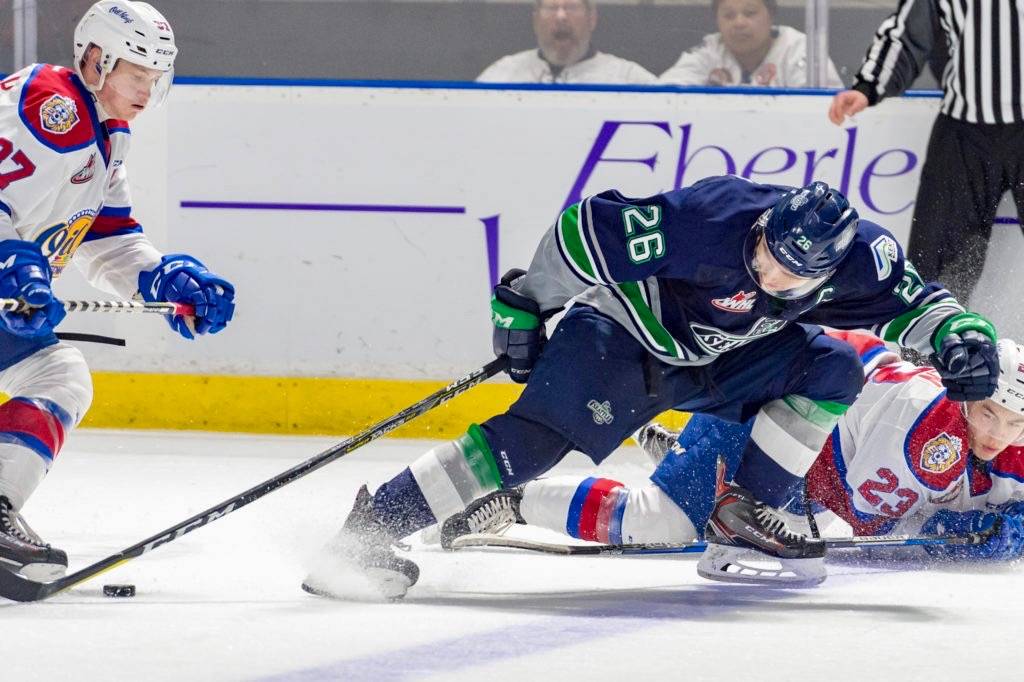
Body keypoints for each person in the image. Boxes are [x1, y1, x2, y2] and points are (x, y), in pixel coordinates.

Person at [303, 174, 998, 600]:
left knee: (833, 368)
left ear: (828, 271)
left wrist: (958, 336)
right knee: (527, 447)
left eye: (791, 277)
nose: (768, 275)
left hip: (722, 364)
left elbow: (920, 303)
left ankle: (743, 519)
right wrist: (526, 302)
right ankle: (370, 532)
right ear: (763, 226)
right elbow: (583, 234)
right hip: (625, 339)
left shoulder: (862, 259)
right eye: (765, 255)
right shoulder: (710, 219)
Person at [438, 331, 1024, 575]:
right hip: (780, 408)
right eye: (989, 413)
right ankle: (515, 501)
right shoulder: (930, 437)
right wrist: (949, 531)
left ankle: (687, 458)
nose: (998, 433)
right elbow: (845, 526)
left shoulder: (970, 430)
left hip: (811, 418)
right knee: (664, 523)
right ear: (965, 397)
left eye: (1015, 422)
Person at [0, 1, 235, 579]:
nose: (147, 90)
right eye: (138, 74)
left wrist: (160, 279)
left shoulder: (106, 134)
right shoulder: (49, 106)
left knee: (57, 376)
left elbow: (105, 235)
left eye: (157, 78)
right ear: (97, 60)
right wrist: (10, 262)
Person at [828, 0, 1024, 305]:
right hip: (964, 130)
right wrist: (868, 85)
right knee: (937, 262)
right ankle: (932, 348)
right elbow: (906, 33)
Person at [660, 0, 842, 88]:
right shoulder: (709, 50)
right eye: (729, 16)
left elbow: (827, 106)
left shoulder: (798, 47)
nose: (739, 23)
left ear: (770, 16)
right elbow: (663, 95)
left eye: (750, 13)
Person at [477, 0, 657, 85]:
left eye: (571, 7)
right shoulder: (503, 74)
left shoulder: (627, 78)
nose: (561, 16)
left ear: (592, 18)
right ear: (535, 20)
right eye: (551, 8)